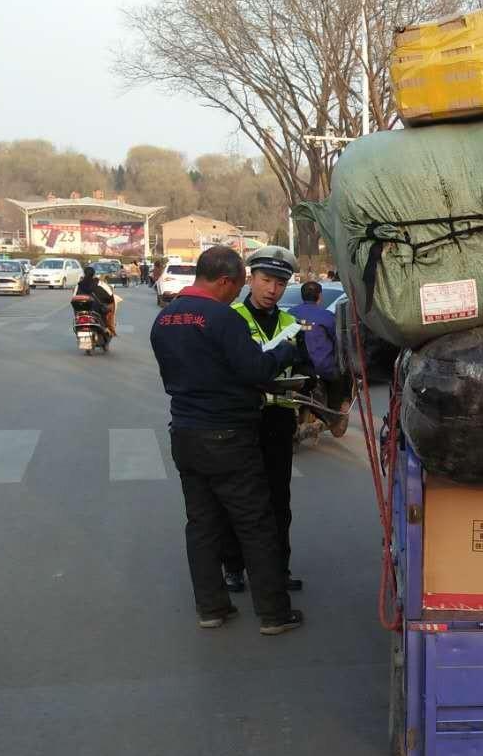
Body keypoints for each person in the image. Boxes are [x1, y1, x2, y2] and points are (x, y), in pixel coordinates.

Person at [149, 245, 307, 635]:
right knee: (256, 523)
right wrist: (285, 351)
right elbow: (255, 370)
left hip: (184, 433)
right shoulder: (222, 319)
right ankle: (273, 613)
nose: (238, 293)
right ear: (224, 281)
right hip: (229, 435)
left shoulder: (164, 320)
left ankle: (211, 607)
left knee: (201, 524)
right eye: (238, 285)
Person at [220, 246, 306, 595]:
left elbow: (301, 365)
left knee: (277, 501)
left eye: (280, 283)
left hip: (279, 419)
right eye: (266, 280)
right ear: (250, 279)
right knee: (240, 499)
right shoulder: (231, 318)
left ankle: (276, 570)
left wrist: (306, 377)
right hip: (242, 420)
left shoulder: (291, 323)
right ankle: (234, 567)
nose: (272, 289)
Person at [290, 280, 351, 437]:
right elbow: (339, 341)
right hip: (322, 369)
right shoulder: (327, 316)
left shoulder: (289, 313)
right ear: (320, 296)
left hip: (296, 368)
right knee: (343, 377)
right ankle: (334, 416)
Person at [73, 265, 117, 335]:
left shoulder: (78, 285)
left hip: (81, 312)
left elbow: (74, 298)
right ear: (94, 274)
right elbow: (110, 297)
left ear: (84, 274)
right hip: (97, 310)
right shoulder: (100, 284)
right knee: (111, 307)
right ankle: (110, 328)